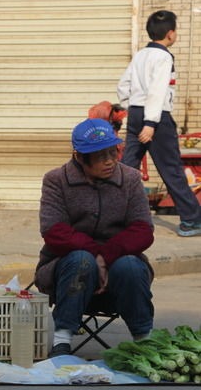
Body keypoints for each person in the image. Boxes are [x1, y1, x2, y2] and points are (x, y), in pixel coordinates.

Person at [34, 118, 155, 357]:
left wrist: (106, 257)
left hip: (119, 270)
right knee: (81, 261)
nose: (110, 161)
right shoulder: (56, 180)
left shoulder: (130, 179)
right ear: (79, 157)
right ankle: (62, 340)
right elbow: (53, 231)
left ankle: (144, 340)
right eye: (100, 156)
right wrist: (94, 255)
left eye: (113, 152)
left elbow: (143, 230)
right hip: (67, 269)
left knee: (130, 265)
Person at [117, 10, 201, 237]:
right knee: (171, 169)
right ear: (171, 34)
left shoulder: (140, 55)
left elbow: (123, 85)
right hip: (155, 119)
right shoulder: (164, 58)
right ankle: (192, 221)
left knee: (126, 168)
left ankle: (114, 217)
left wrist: (131, 107)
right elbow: (157, 91)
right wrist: (150, 122)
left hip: (136, 114)